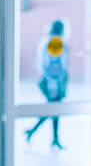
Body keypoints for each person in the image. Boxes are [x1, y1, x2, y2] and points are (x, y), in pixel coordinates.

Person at [25, 20, 68, 150]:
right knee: (53, 109)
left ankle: (51, 137)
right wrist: (55, 86)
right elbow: (53, 66)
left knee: (53, 109)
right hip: (52, 82)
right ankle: (41, 134)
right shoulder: (55, 42)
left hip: (46, 80)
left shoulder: (47, 40)